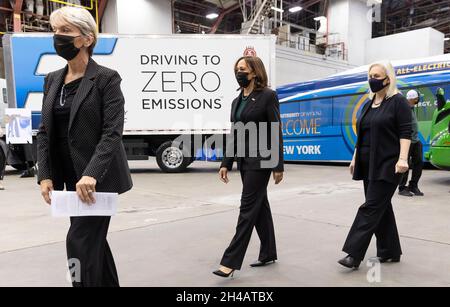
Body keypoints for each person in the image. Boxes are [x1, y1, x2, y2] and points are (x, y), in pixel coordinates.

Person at [37, 6, 132, 287]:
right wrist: (45, 174)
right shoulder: (52, 80)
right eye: (55, 31)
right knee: (94, 244)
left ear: (87, 38)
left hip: (97, 180)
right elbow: (45, 132)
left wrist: (91, 173)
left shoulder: (106, 78)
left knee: (79, 243)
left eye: (66, 31)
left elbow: (111, 133)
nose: (58, 36)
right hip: (69, 180)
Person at [213, 56, 284, 278]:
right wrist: (226, 162)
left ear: (254, 72)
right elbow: (234, 133)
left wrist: (278, 165)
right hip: (244, 161)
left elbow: (275, 130)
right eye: (237, 69)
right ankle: (268, 252)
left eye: (242, 69)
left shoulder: (268, 96)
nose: (238, 72)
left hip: (261, 161)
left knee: (247, 208)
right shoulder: (236, 102)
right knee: (260, 205)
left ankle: (230, 261)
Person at [338, 60, 412, 269]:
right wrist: (354, 157)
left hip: (388, 164)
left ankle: (354, 253)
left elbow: (405, 132)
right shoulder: (368, 104)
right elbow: (362, 134)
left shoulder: (398, 102)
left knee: (370, 207)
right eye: (370, 76)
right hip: (367, 163)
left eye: (377, 76)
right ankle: (390, 251)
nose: (373, 80)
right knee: (381, 207)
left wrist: (403, 159)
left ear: (388, 79)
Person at [398, 89, 424, 196]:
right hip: (407, 140)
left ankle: (413, 185)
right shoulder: (404, 109)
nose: (418, 99)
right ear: (414, 98)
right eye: (418, 97)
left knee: (418, 163)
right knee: (405, 163)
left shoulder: (412, 108)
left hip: (416, 140)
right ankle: (402, 188)